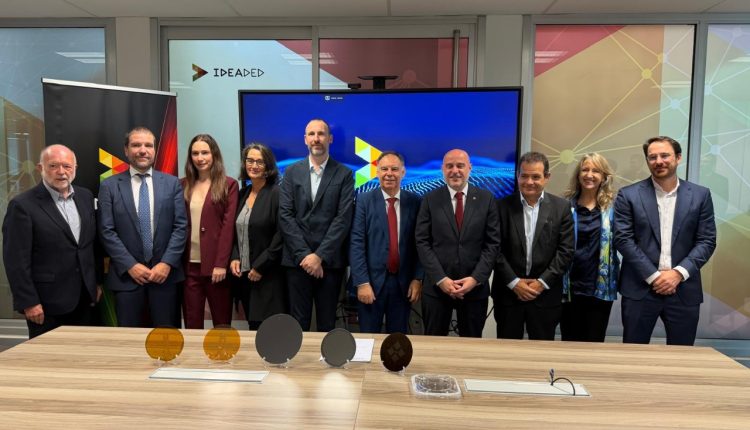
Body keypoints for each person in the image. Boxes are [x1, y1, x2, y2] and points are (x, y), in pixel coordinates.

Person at [614, 136, 716, 346]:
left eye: (664, 155)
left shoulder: (700, 195)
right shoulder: (628, 195)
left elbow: (707, 240)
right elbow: (623, 239)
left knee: (681, 355)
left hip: (683, 289)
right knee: (633, 354)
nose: (658, 161)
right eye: (652, 157)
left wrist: (678, 274)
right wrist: (654, 277)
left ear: (678, 158)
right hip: (640, 288)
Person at [2, 145, 100, 338]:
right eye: (53, 166)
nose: (61, 172)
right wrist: (28, 302)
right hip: (46, 305)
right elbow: (16, 260)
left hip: (85, 299)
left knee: (83, 352)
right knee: (49, 356)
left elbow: (89, 246)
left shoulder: (85, 196)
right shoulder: (22, 205)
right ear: (41, 168)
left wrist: (95, 283)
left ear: (75, 168)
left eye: (67, 166)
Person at [98, 126, 187, 327]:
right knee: (129, 339)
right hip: (127, 278)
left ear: (155, 150)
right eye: (136, 145)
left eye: (148, 145)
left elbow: (180, 227)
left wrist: (166, 263)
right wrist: (130, 265)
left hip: (165, 277)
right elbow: (106, 230)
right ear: (126, 150)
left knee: (166, 338)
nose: (143, 150)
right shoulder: (109, 186)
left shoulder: (172, 183)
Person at [415, 149, 500, 337]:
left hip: (474, 290)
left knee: (471, 345)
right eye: (449, 166)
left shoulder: (486, 199)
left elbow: (492, 244)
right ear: (442, 169)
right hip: (437, 289)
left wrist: (475, 279)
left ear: (470, 168)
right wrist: (441, 279)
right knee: (434, 345)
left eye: (460, 165)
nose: (455, 171)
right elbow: (422, 242)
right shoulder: (429, 199)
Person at [279, 119, 354, 332]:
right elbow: (285, 215)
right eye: (311, 134)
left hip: (329, 263)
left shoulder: (344, 174)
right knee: (297, 323)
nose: (316, 139)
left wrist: (319, 256)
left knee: (327, 323)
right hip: (297, 262)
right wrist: (306, 256)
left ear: (330, 138)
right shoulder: (291, 172)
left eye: (321, 134)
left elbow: (342, 219)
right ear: (305, 139)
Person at [492, 151, 574, 340]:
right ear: (517, 176)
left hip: (545, 295)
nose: (529, 182)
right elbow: (494, 249)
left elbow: (566, 251)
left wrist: (541, 283)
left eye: (536, 177)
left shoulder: (561, 207)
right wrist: (515, 283)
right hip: (508, 295)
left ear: (547, 177)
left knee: (542, 351)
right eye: (524, 176)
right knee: (507, 350)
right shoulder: (500, 206)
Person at [350, 151, 423, 334]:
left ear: (403, 172)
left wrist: (417, 279)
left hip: (403, 285)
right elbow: (357, 243)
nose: (389, 174)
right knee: (368, 339)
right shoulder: (363, 200)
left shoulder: (415, 202)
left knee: (397, 341)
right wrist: (362, 282)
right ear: (377, 172)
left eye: (394, 169)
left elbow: (420, 244)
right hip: (371, 285)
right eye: (384, 169)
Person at [181, 134, 238, 329]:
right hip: (189, 267)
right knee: (192, 324)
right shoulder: (182, 185)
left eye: (205, 152)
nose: (200, 158)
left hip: (216, 267)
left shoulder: (229, 185)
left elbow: (228, 228)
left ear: (214, 155)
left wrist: (221, 264)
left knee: (222, 325)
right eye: (195, 153)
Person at [560, 153, 619, 342]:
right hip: (569, 287)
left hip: (600, 288)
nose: (589, 175)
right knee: (569, 341)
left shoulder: (614, 208)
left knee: (595, 342)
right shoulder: (564, 206)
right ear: (578, 174)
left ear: (604, 176)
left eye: (596, 171)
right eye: (585, 169)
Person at [230, 143, 285, 330]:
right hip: (244, 277)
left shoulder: (277, 194)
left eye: (260, 162)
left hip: (268, 276)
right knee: (252, 327)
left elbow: (281, 235)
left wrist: (260, 266)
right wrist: (234, 257)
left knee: (269, 331)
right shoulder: (242, 194)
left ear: (268, 166)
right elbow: (234, 232)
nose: (254, 165)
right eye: (250, 160)